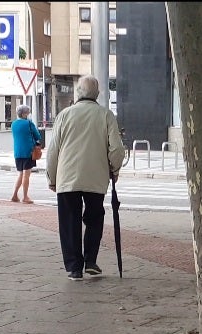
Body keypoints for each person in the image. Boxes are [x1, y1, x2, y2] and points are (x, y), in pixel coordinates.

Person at [46, 75, 125, 281]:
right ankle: (90, 261)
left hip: (67, 177)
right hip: (96, 177)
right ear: (97, 93)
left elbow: (53, 150)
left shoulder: (64, 115)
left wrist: (52, 177)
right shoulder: (106, 115)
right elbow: (116, 148)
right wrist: (114, 170)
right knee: (94, 219)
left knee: (69, 221)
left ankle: (74, 267)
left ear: (77, 93)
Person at [10, 104, 42, 204]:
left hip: (17, 152)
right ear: (24, 114)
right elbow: (38, 136)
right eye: (27, 113)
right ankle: (25, 197)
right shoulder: (29, 123)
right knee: (26, 174)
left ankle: (14, 195)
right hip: (28, 152)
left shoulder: (13, 124)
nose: (28, 114)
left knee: (20, 174)